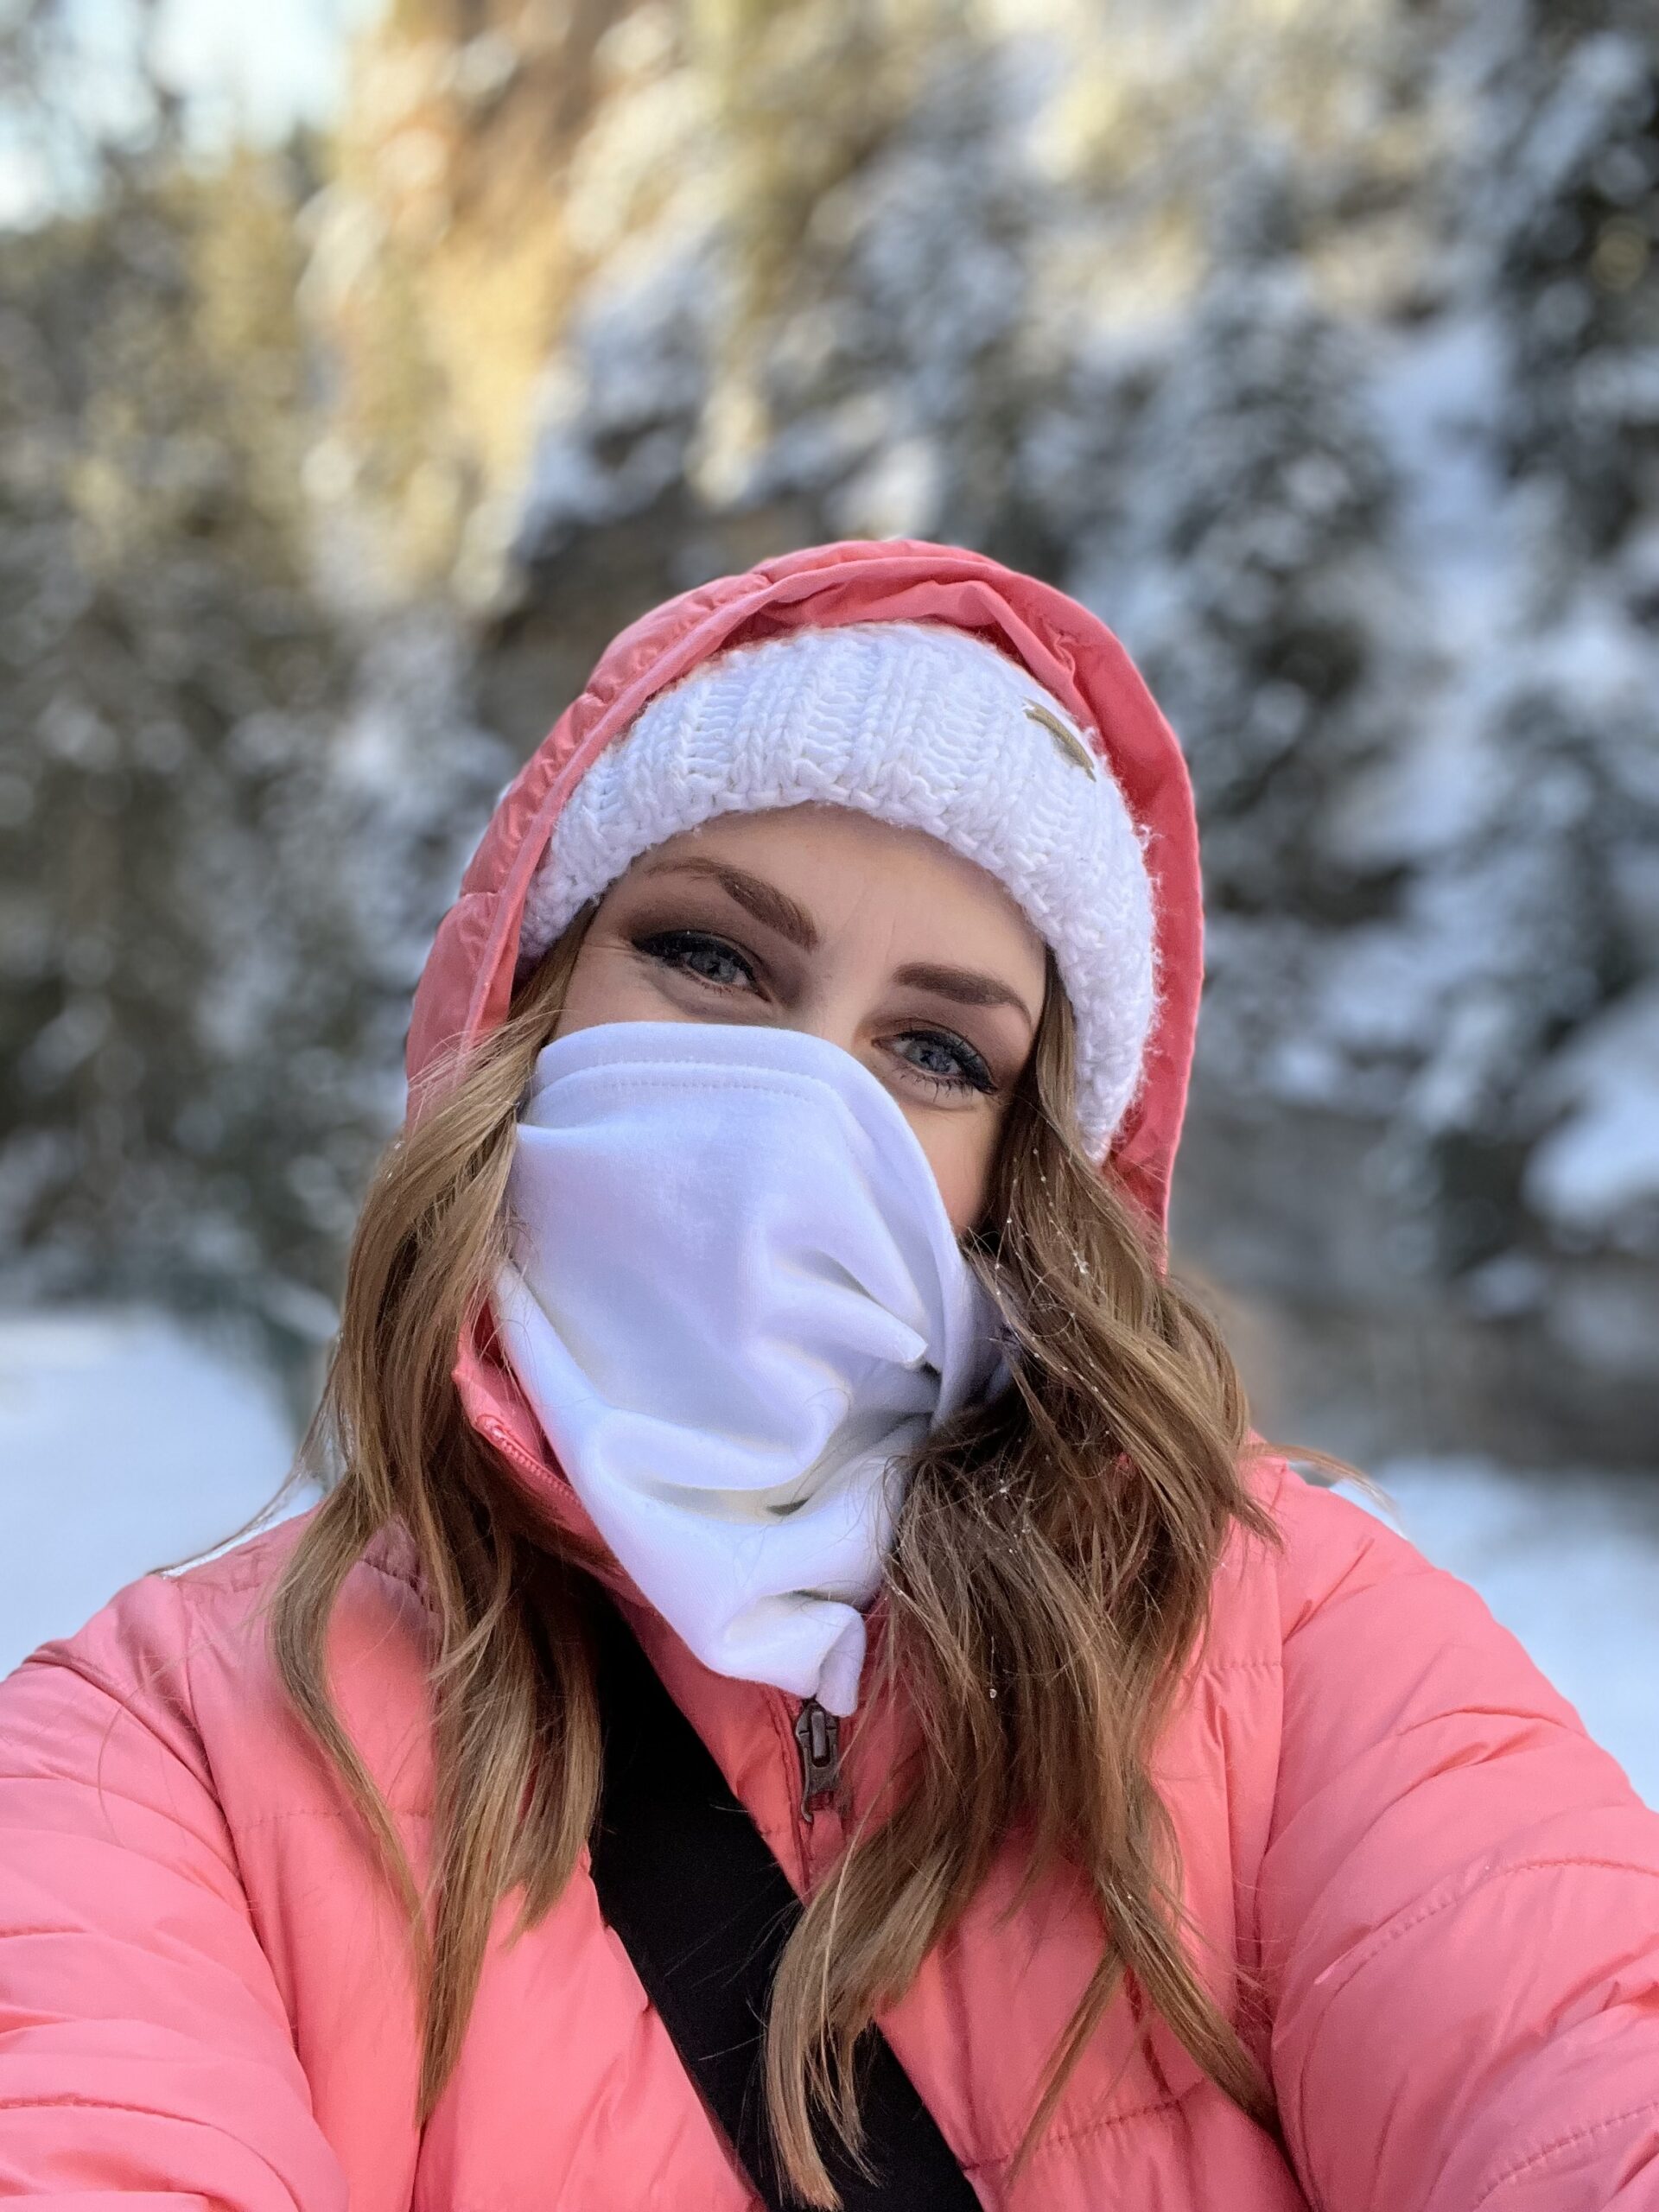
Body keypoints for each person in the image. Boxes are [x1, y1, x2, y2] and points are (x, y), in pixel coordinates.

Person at [1, 537, 1656, 2212]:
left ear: (1022, 1176)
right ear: (531, 997)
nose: (796, 1099)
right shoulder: (165, 1747)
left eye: (936, 1052)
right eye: (711, 954)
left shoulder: (1288, 1641)